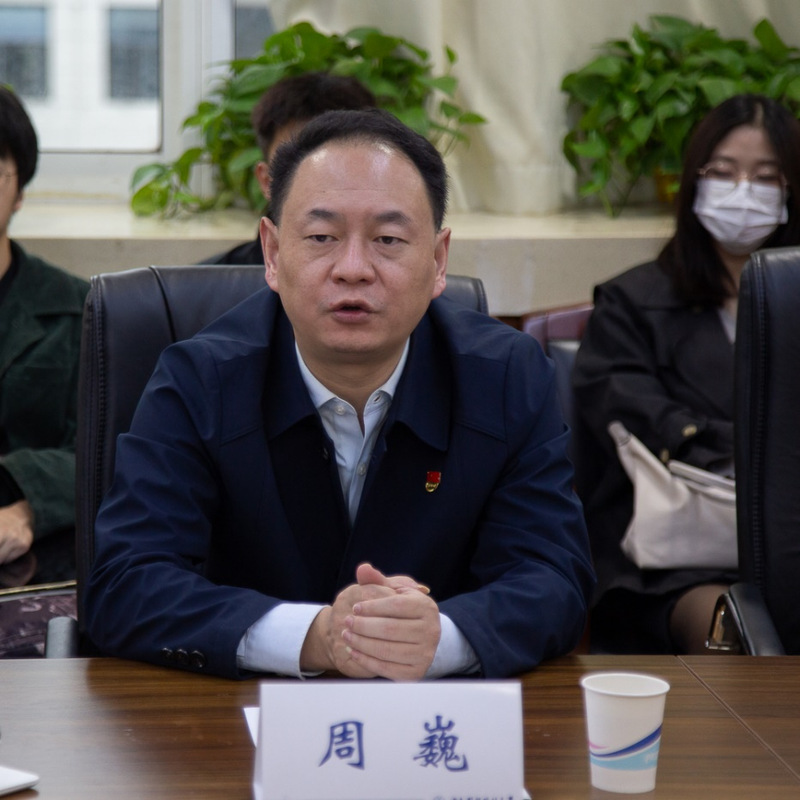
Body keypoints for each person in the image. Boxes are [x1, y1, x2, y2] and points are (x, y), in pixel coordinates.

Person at [85, 108, 595, 681]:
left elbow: (554, 577)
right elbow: (126, 583)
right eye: (322, 238)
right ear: (273, 253)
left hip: (439, 719)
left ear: (438, 260)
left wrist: (438, 638)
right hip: (234, 721)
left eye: (388, 239)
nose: (353, 269)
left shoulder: (506, 376)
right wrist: (316, 637)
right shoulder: (198, 380)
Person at [572, 93, 800, 655]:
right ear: (693, 182)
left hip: (791, 538)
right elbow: (630, 411)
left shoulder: (790, 298)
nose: (743, 191)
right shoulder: (631, 302)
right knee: (740, 635)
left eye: (765, 176)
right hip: (673, 562)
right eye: (723, 172)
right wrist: (745, 450)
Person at [0, 86, 89, 590]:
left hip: (45, 562)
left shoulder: (81, 308)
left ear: (19, 192)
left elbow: (107, 448)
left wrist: (27, 509)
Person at [206, 71, 376, 264]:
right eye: (294, 161)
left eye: (341, 164)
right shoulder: (212, 280)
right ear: (267, 181)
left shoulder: (399, 277)